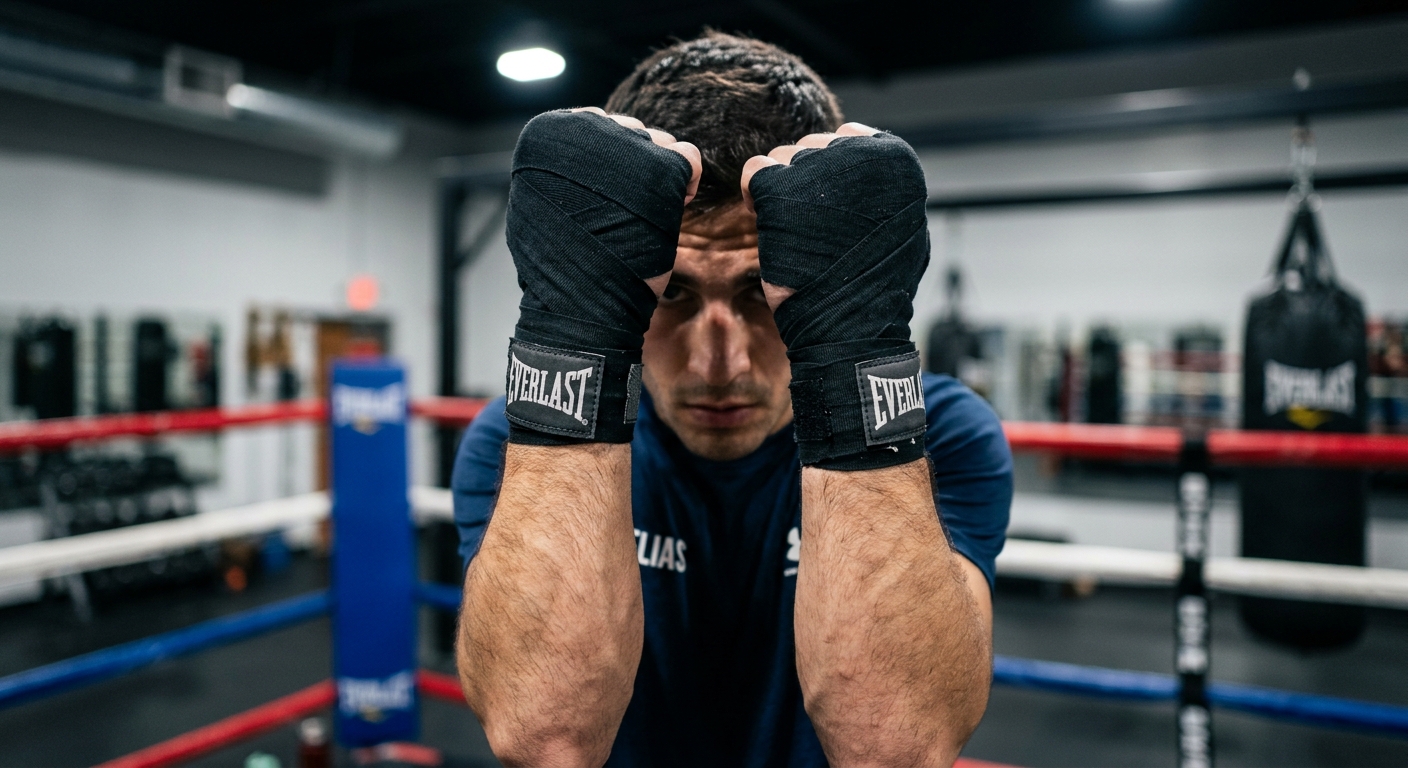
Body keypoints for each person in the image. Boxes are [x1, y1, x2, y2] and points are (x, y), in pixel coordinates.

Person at [451, 31, 1011, 767]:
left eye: (760, 294)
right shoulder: (511, 448)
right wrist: (573, 329)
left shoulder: (939, 438)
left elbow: (895, 748)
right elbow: (543, 737)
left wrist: (855, 348)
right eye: (672, 295)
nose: (721, 363)